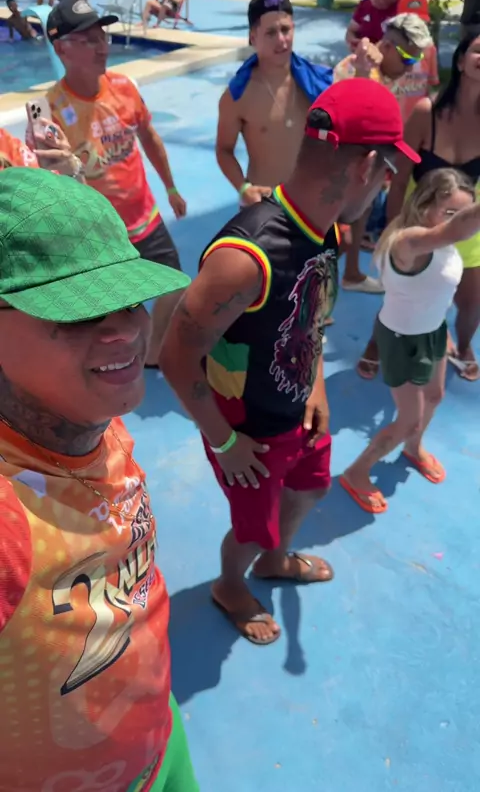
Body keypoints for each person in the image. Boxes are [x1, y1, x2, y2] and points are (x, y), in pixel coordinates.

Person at [160, 78, 420, 646]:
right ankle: (230, 585)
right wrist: (225, 442)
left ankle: (277, 559)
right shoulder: (244, 258)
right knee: (252, 529)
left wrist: (317, 384)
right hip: (247, 432)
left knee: (311, 489)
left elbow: (312, 316)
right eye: (387, 170)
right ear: (366, 166)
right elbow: (175, 357)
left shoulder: (325, 229)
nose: (387, 182)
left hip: (298, 408)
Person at [0, 166, 197, 791]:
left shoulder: (92, 416)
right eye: (79, 310)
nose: (126, 329)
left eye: (129, 298)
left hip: (161, 745)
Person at [41, 0, 187, 365]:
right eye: (89, 40)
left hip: (145, 217)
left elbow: (149, 137)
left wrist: (170, 187)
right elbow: (54, 187)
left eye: (102, 37)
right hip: (101, 234)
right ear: (61, 49)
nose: (102, 47)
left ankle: (153, 353)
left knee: (175, 283)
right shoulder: (51, 111)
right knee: (114, 310)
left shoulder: (124, 87)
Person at [340, 169, 478, 514]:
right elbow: (460, 228)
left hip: (433, 331)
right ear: (424, 205)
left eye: (464, 211)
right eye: (450, 212)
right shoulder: (409, 241)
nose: (457, 220)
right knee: (408, 421)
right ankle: (356, 472)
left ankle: (413, 449)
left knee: (435, 396)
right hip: (402, 340)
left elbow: (437, 286)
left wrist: (442, 327)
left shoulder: (441, 243)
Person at [357, 31, 480, 381]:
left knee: (472, 302)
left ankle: (464, 344)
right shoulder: (427, 113)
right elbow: (399, 179)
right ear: (460, 60)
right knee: (400, 296)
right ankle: (376, 343)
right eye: (478, 51)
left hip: (467, 226)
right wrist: (393, 231)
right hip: (419, 221)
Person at [335, 12, 432, 293]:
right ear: (387, 46)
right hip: (343, 165)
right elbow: (352, 122)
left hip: (374, 161)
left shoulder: (394, 71)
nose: (412, 66)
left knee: (363, 213)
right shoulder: (355, 69)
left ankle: (352, 274)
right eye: (408, 59)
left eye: (417, 59)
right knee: (337, 241)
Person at [216, 0, 332, 207]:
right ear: (253, 38)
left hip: (312, 204)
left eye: (285, 30)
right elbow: (224, 150)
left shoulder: (318, 83)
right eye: (270, 33)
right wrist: (243, 188)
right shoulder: (238, 96)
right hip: (264, 204)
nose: (281, 40)